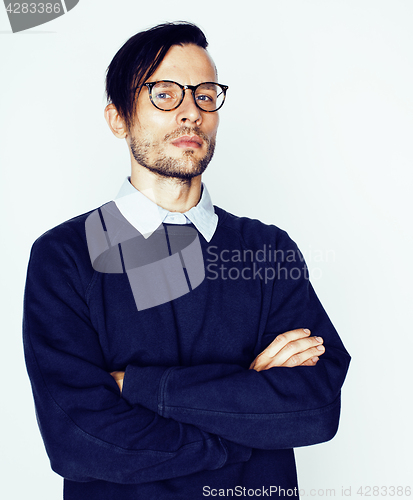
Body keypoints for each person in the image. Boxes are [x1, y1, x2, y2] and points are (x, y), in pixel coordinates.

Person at [23, 21, 351, 500]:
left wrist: (139, 388)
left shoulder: (267, 250)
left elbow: (315, 408)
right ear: (118, 118)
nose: (191, 113)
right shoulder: (65, 256)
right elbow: (81, 441)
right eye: (164, 94)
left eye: (204, 94)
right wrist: (245, 408)